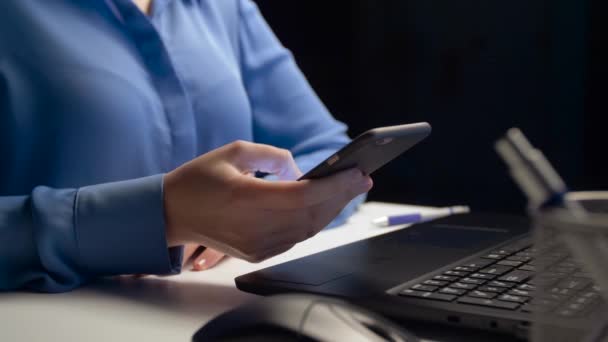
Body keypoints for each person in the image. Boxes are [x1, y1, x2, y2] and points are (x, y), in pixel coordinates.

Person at [0, 0, 372, 293]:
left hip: (217, 307)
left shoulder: (223, 5)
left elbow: (326, 146)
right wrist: (163, 217)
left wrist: (251, 209)